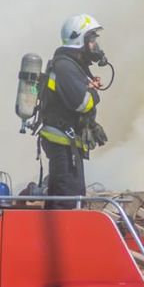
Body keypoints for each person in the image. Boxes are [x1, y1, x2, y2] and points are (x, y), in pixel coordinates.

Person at [37, 14, 109, 206]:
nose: (95, 45)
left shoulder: (73, 65)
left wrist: (89, 85)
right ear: (80, 39)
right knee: (68, 199)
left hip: (67, 142)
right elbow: (81, 103)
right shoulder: (65, 67)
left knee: (64, 196)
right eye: (91, 39)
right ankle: (64, 236)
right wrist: (94, 92)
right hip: (62, 141)